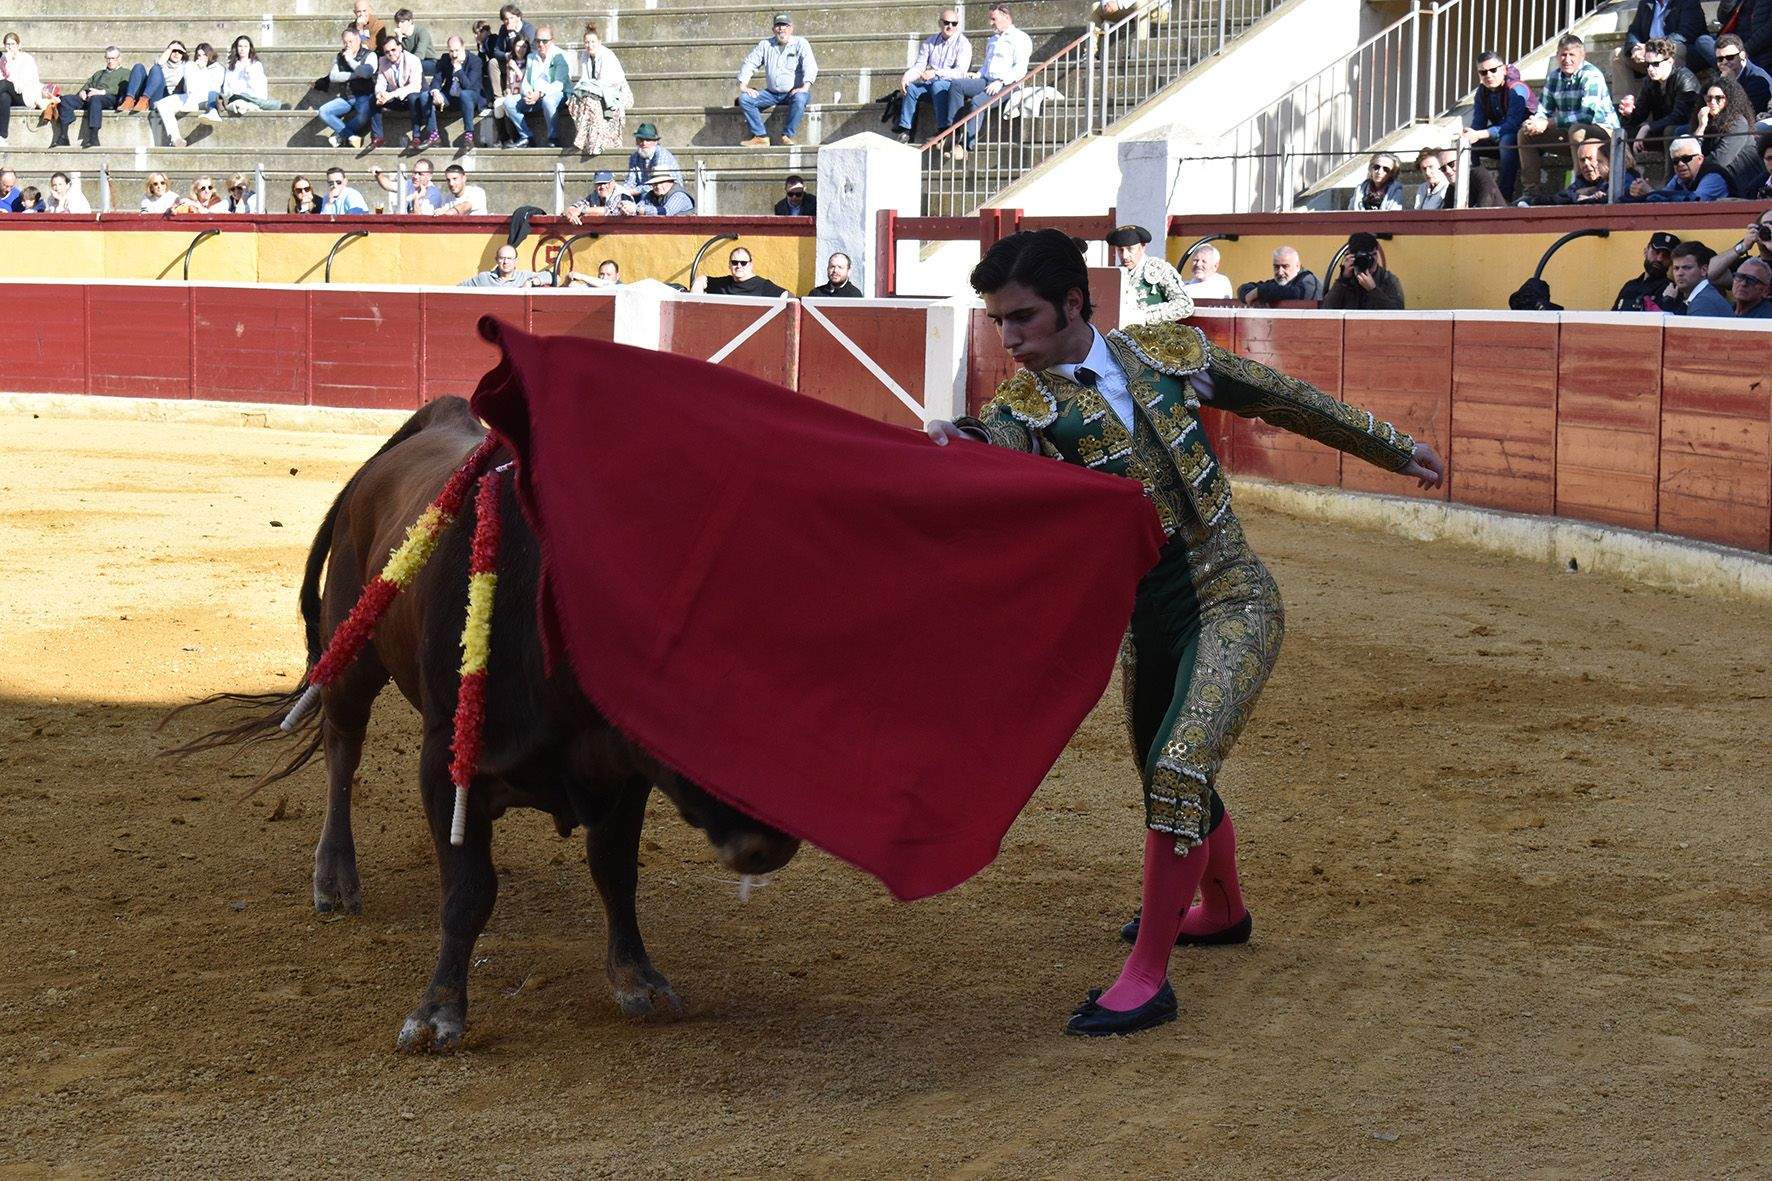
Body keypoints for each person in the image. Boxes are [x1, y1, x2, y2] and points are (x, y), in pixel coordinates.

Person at [922, 229, 1443, 1036]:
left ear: (1072, 302)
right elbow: (990, 451)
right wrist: (954, 448)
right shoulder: (1021, 410)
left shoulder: (1166, 354)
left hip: (1233, 591)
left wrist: (1394, 446)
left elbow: (1284, 396)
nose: (1009, 337)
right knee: (1169, 774)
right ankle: (1223, 910)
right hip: (1146, 618)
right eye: (997, 322)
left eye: (1022, 316)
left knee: (1178, 761)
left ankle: (1146, 976)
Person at [1518, 34, 1618, 201]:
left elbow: (1586, 116)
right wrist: (1535, 122)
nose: (1567, 59)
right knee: (1524, 134)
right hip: (1571, 135)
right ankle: (1530, 191)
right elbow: (1544, 109)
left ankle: (1581, 184)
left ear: (1582, 55)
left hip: (1604, 134)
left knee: (1577, 129)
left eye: (1572, 55)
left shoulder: (1591, 75)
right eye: (1563, 55)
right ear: (1557, 56)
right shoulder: (1554, 77)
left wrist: (1550, 122)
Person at [941, 3, 1030, 158]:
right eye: (990, 19)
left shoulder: (1020, 38)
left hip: (1009, 84)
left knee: (977, 102)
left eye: (993, 19)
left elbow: (1020, 69)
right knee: (957, 85)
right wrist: (978, 74)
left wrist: (1001, 82)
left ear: (1006, 16)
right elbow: (987, 65)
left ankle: (965, 147)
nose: (991, 23)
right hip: (987, 80)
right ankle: (952, 132)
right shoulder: (993, 39)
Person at [736, 14, 818, 147]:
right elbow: (750, 63)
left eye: (785, 25)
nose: (781, 29)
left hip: (793, 92)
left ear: (791, 28)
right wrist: (743, 85)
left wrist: (805, 87)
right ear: (773, 29)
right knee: (745, 99)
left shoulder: (801, 43)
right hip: (771, 93)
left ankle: (786, 135)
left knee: (801, 98)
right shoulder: (765, 45)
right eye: (778, 26)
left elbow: (810, 65)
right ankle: (761, 137)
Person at [1460, 51, 1532, 201]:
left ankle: (1503, 197)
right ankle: (1471, 193)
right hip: (1500, 138)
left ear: (1504, 69)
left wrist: (1480, 134)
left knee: (1507, 140)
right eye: (1483, 72)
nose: (1489, 75)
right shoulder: (1481, 92)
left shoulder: (1516, 88)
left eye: (1493, 70)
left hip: (1527, 140)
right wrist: (1471, 134)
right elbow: (1478, 124)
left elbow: (1513, 125)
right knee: (1467, 145)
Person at [896, 9, 971, 144]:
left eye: (954, 23)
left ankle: (943, 129)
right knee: (911, 88)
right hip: (932, 84)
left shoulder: (963, 43)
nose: (950, 26)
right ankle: (905, 130)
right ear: (939, 23)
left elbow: (960, 72)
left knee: (938, 84)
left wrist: (936, 73)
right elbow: (919, 66)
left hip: (951, 85)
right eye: (947, 22)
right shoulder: (930, 41)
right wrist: (906, 78)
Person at [1622, 39, 1699, 161]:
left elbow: (1679, 116)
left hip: (1684, 130)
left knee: (1670, 131)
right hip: (1660, 129)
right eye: (1647, 64)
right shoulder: (1649, 81)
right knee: (1624, 133)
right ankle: (1630, 176)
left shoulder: (1684, 78)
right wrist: (1628, 113)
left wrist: (1648, 127)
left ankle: (1669, 177)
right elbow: (1641, 113)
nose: (1650, 69)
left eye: (1655, 64)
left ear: (1669, 61)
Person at [1106, 224, 1193, 324]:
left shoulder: (1158, 268)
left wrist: (1144, 316)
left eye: (1130, 249)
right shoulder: (1116, 274)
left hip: (1155, 336)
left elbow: (1185, 304)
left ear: (1143, 247)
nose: (1125, 256)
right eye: (1120, 250)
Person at [567, 23, 629, 157]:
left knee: (590, 102)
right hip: (594, 89)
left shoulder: (606, 55)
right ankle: (585, 140)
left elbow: (606, 82)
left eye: (593, 42)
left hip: (613, 91)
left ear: (599, 42)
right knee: (575, 98)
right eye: (587, 42)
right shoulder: (584, 55)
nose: (590, 45)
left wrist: (587, 88)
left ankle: (595, 143)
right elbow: (584, 78)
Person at [53, 46, 130, 148]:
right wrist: (83, 92)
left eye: (113, 58)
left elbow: (123, 90)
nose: (110, 61)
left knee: (95, 99)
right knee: (65, 100)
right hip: (90, 97)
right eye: (108, 58)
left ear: (119, 59)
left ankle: (93, 138)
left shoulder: (125, 73)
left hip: (109, 98)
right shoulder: (99, 73)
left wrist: (101, 92)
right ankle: (63, 136)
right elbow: (87, 85)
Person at [1617, 0, 1711, 83]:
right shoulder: (1646, 2)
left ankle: (1672, 96)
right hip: (1649, 53)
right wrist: (1634, 48)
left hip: (1683, 50)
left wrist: (1651, 47)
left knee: (1675, 51)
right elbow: (1634, 30)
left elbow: (1686, 33)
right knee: (1617, 55)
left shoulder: (1687, 2)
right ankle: (1627, 101)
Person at [506, 24, 568, 148]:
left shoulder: (560, 56)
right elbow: (526, 82)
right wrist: (528, 93)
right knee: (509, 102)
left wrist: (539, 93)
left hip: (557, 95)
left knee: (548, 100)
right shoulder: (531, 57)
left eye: (545, 41)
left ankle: (553, 137)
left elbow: (559, 84)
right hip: (535, 96)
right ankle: (527, 136)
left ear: (552, 41)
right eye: (538, 41)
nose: (541, 44)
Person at [319, 27, 380, 148]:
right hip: (346, 97)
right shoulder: (340, 56)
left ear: (358, 40)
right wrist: (355, 75)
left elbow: (366, 73)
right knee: (324, 111)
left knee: (363, 115)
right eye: (345, 42)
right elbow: (333, 76)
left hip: (365, 96)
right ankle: (351, 136)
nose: (347, 45)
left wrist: (350, 60)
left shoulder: (370, 55)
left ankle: (339, 136)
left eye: (350, 41)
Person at [155, 41, 223, 148]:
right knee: (162, 104)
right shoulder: (192, 65)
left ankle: (197, 105)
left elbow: (214, 88)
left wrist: (203, 69)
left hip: (206, 99)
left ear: (210, 55)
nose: (201, 58)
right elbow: (160, 64)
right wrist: (197, 68)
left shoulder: (218, 67)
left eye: (204, 55)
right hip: (189, 98)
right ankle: (176, 139)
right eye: (198, 55)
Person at [1627, 135, 1735, 201]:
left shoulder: (1713, 176)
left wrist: (1651, 192)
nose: (1680, 164)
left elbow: (1695, 201)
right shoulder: (1679, 178)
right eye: (1675, 161)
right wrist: (1639, 191)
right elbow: (1664, 198)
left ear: (1700, 159)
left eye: (1686, 158)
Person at [1693, 77, 1759, 185]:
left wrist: (1693, 166)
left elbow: (1720, 159)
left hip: (1737, 177)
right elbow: (1693, 151)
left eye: (1718, 98)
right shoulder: (1705, 120)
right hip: (1714, 173)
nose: (1712, 102)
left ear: (1729, 99)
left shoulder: (1738, 123)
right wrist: (1701, 126)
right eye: (1709, 98)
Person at [1322, 232, 1405, 310]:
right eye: (1362, 258)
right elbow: (1326, 311)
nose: (1368, 262)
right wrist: (1343, 280)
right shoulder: (1346, 281)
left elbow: (1398, 315)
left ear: (1376, 253)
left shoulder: (1387, 280)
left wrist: (1374, 290)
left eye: (1373, 255)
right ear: (1351, 256)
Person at [428, 35, 483, 149]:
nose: (454, 54)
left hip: (471, 97)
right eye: (451, 51)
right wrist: (435, 92)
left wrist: (458, 70)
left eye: (456, 50)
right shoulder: (445, 59)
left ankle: (469, 135)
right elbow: (437, 79)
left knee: (465, 94)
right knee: (426, 96)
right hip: (451, 96)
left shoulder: (475, 61)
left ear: (463, 47)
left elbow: (469, 86)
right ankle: (434, 135)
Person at [206, 36, 280, 119]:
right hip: (235, 97)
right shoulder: (231, 66)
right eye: (240, 46)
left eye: (245, 46)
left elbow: (260, 88)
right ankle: (243, 106)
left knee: (244, 102)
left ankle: (246, 106)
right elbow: (227, 87)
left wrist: (250, 76)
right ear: (236, 48)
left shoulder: (256, 65)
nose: (242, 49)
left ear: (249, 48)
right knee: (236, 101)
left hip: (252, 97)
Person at [374, 33, 424, 149]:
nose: (391, 54)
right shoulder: (382, 61)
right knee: (373, 99)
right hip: (396, 99)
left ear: (400, 47)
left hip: (412, 97)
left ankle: (416, 137)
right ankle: (378, 137)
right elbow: (380, 83)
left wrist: (390, 94)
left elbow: (415, 86)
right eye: (387, 52)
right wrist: (379, 94)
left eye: (393, 49)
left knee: (413, 97)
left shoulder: (413, 60)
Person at [1611, 231, 1680, 311]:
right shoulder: (1630, 286)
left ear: (1671, 261)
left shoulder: (1671, 290)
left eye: (1666, 255)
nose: (1659, 259)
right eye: (1656, 252)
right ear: (1645, 251)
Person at [0, 32, 47, 149]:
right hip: (9, 93)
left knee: (4, 84)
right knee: (4, 97)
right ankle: (3, 137)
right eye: (7, 44)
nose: (10, 47)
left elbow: (31, 79)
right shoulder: (3, 59)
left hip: (25, 94)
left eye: (13, 44)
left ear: (19, 45)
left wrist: (17, 82)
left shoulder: (27, 59)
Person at [1707, 206, 1772, 287]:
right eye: (1766, 226)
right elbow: (1710, 274)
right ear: (1757, 230)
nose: (1770, 230)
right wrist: (1742, 246)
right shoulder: (1748, 267)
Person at [484, 4, 537, 102]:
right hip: (509, 61)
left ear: (519, 17)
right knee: (493, 62)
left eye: (511, 18)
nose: (508, 21)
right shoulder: (503, 29)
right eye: (505, 19)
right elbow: (496, 51)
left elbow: (523, 51)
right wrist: (507, 55)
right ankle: (498, 98)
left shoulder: (528, 29)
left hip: (526, 63)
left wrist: (512, 35)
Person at [1662, 241, 1732, 314]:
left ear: (1704, 270)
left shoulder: (1704, 303)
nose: (1679, 273)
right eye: (1676, 268)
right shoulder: (1701, 298)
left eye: (1686, 268)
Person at [1235, 246, 1320, 306]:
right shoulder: (1280, 282)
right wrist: (1250, 294)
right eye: (1276, 267)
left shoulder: (1308, 281)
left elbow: (1296, 293)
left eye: (1285, 266)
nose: (1280, 272)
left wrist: (1259, 292)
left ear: (1297, 266)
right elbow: (1243, 288)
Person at [117, 41, 188, 113]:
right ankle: (129, 100)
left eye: (180, 52)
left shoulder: (186, 66)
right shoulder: (161, 60)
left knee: (156, 69)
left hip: (162, 97)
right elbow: (159, 63)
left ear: (183, 54)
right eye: (174, 51)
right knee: (139, 67)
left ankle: (144, 100)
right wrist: (170, 48)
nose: (176, 54)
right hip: (147, 94)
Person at [1714, 35, 1771, 115]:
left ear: (1742, 55)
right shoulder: (1723, 74)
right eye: (1720, 59)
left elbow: (1744, 114)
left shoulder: (1757, 80)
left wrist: (1728, 84)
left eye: (1730, 57)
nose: (1724, 62)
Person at [489, 35, 530, 147]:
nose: (521, 49)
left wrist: (516, 69)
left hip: (523, 95)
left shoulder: (530, 61)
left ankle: (515, 136)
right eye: (518, 46)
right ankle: (504, 137)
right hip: (512, 93)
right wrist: (507, 89)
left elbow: (528, 83)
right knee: (498, 104)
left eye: (524, 47)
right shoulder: (511, 61)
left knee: (509, 104)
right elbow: (509, 81)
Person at [699, 247, 789, 296]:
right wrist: (694, 305)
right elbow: (701, 280)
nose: (739, 266)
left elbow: (788, 296)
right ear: (729, 265)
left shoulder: (763, 285)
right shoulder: (723, 283)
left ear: (750, 265)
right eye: (735, 262)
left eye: (743, 263)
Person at [1438, 147, 1506, 208]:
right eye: (1443, 168)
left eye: (1451, 164)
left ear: (1462, 161)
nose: (1448, 171)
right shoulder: (1451, 189)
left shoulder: (1478, 173)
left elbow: (1488, 194)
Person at [460, 244, 554, 287]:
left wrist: (533, 282)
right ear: (496, 260)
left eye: (509, 258)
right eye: (502, 258)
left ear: (516, 261)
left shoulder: (524, 276)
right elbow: (458, 289)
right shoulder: (484, 278)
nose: (505, 262)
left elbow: (552, 276)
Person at [371, 157, 440, 212]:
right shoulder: (410, 183)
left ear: (429, 177)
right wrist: (379, 175)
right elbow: (388, 185)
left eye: (420, 174)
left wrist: (416, 198)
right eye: (414, 172)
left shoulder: (433, 194)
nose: (416, 177)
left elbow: (420, 220)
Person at [624, 122, 681, 189]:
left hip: (667, 193)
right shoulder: (634, 157)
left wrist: (634, 191)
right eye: (641, 140)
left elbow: (657, 183)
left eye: (648, 140)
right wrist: (625, 191)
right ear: (636, 141)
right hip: (645, 194)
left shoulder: (662, 155)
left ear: (656, 142)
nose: (644, 143)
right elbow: (630, 181)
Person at [630, 171, 695, 215]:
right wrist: (629, 207)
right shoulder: (651, 194)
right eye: (655, 184)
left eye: (661, 183)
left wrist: (643, 210)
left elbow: (667, 212)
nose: (658, 186)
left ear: (670, 182)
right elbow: (639, 206)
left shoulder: (679, 195)